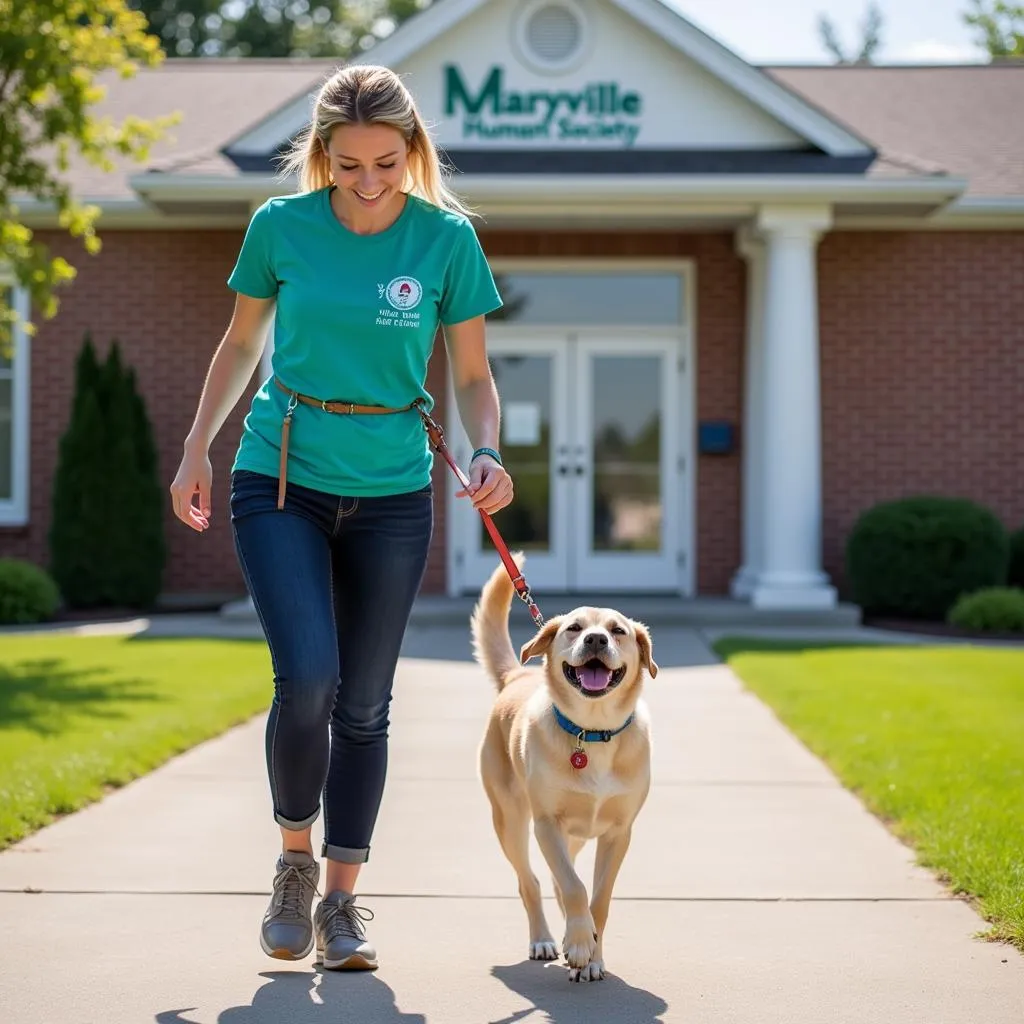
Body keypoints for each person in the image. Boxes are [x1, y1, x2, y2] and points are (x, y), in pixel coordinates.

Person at [168, 63, 513, 971]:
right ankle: (292, 859)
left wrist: (487, 450)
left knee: (365, 704)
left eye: (387, 164)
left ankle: (342, 904)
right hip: (280, 475)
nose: (367, 183)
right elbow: (243, 340)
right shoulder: (280, 226)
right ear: (322, 153)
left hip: (395, 488)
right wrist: (198, 444)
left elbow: (473, 377)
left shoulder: (446, 242)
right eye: (349, 163)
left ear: (413, 154)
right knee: (309, 679)